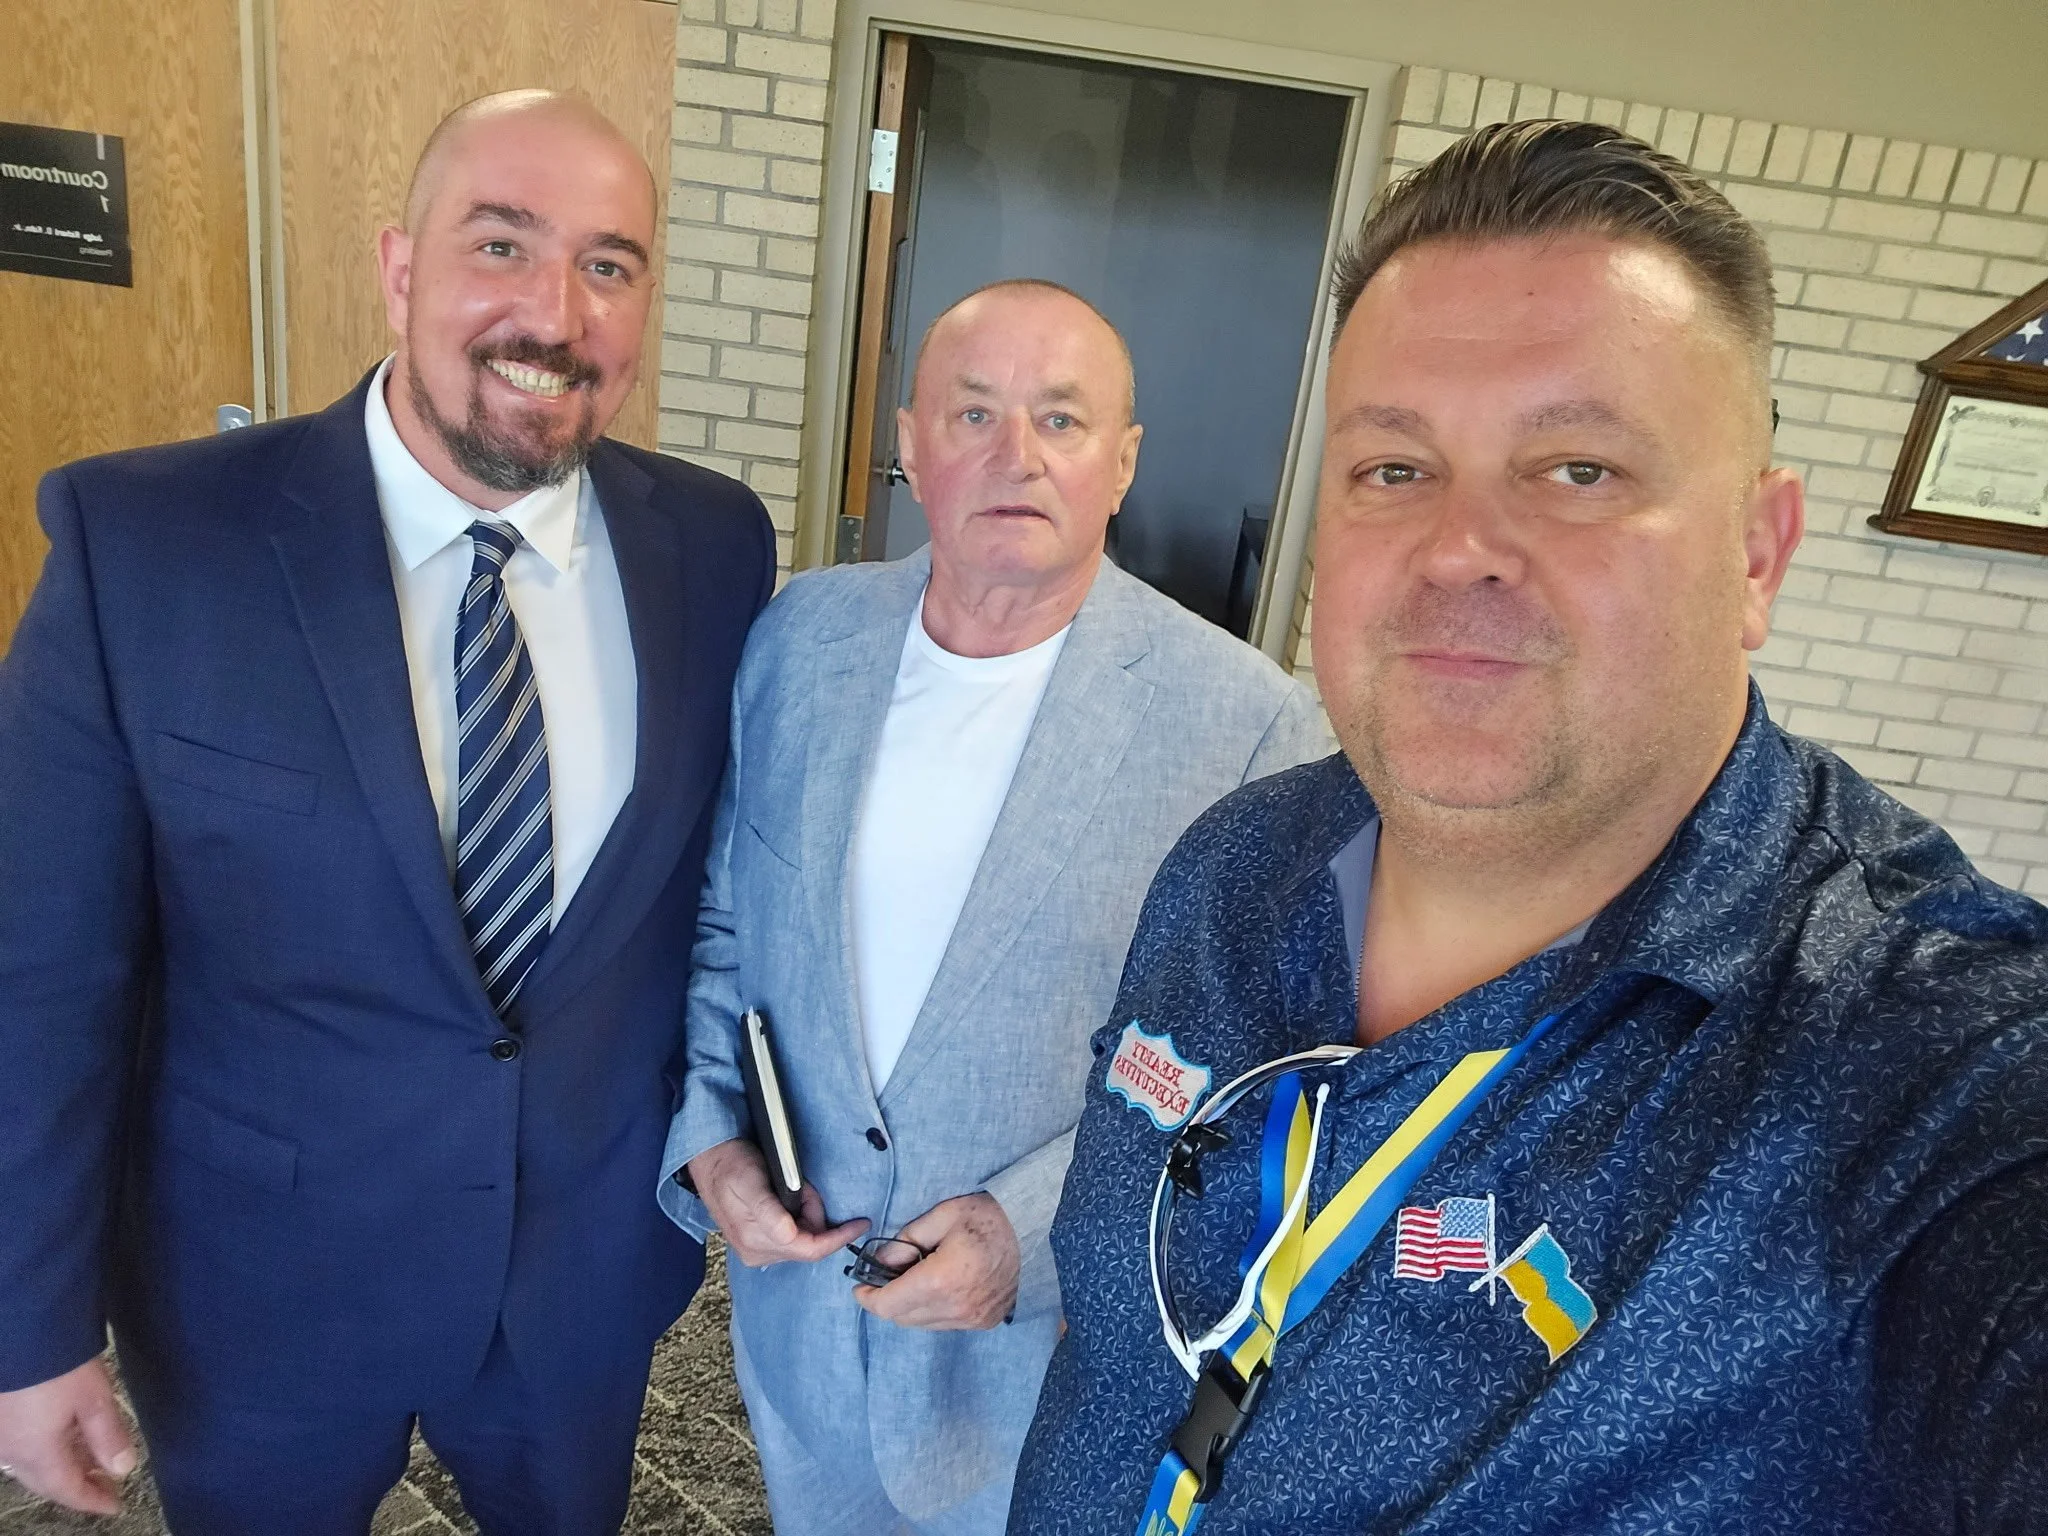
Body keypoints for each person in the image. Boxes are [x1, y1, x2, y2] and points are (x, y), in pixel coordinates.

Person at [1009, 120, 2048, 1536]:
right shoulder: (1230, 868)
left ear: (1758, 554)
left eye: (1578, 471)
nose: (1456, 550)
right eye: (1394, 469)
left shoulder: (1925, 1071)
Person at [0, 90, 773, 1533]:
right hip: (257, 1298)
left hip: (578, 1290)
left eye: (610, 264)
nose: (557, 314)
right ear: (401, 265)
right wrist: (25, 1320)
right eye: (502, 245)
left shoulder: (718, 548)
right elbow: (38, 970)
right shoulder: (146, 549)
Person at [659, 279, 1332, 1535]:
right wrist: (710, 1144)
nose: (1014, 456)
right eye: (972, 413)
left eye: (1062, 421)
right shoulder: (799, 637)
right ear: (911, 446)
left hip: (1044, 1374)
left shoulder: (1247, 725)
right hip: (803, 1334)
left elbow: (1259, 1076)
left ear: (1122, 463)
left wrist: (1031, 1234)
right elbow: (722, 928)